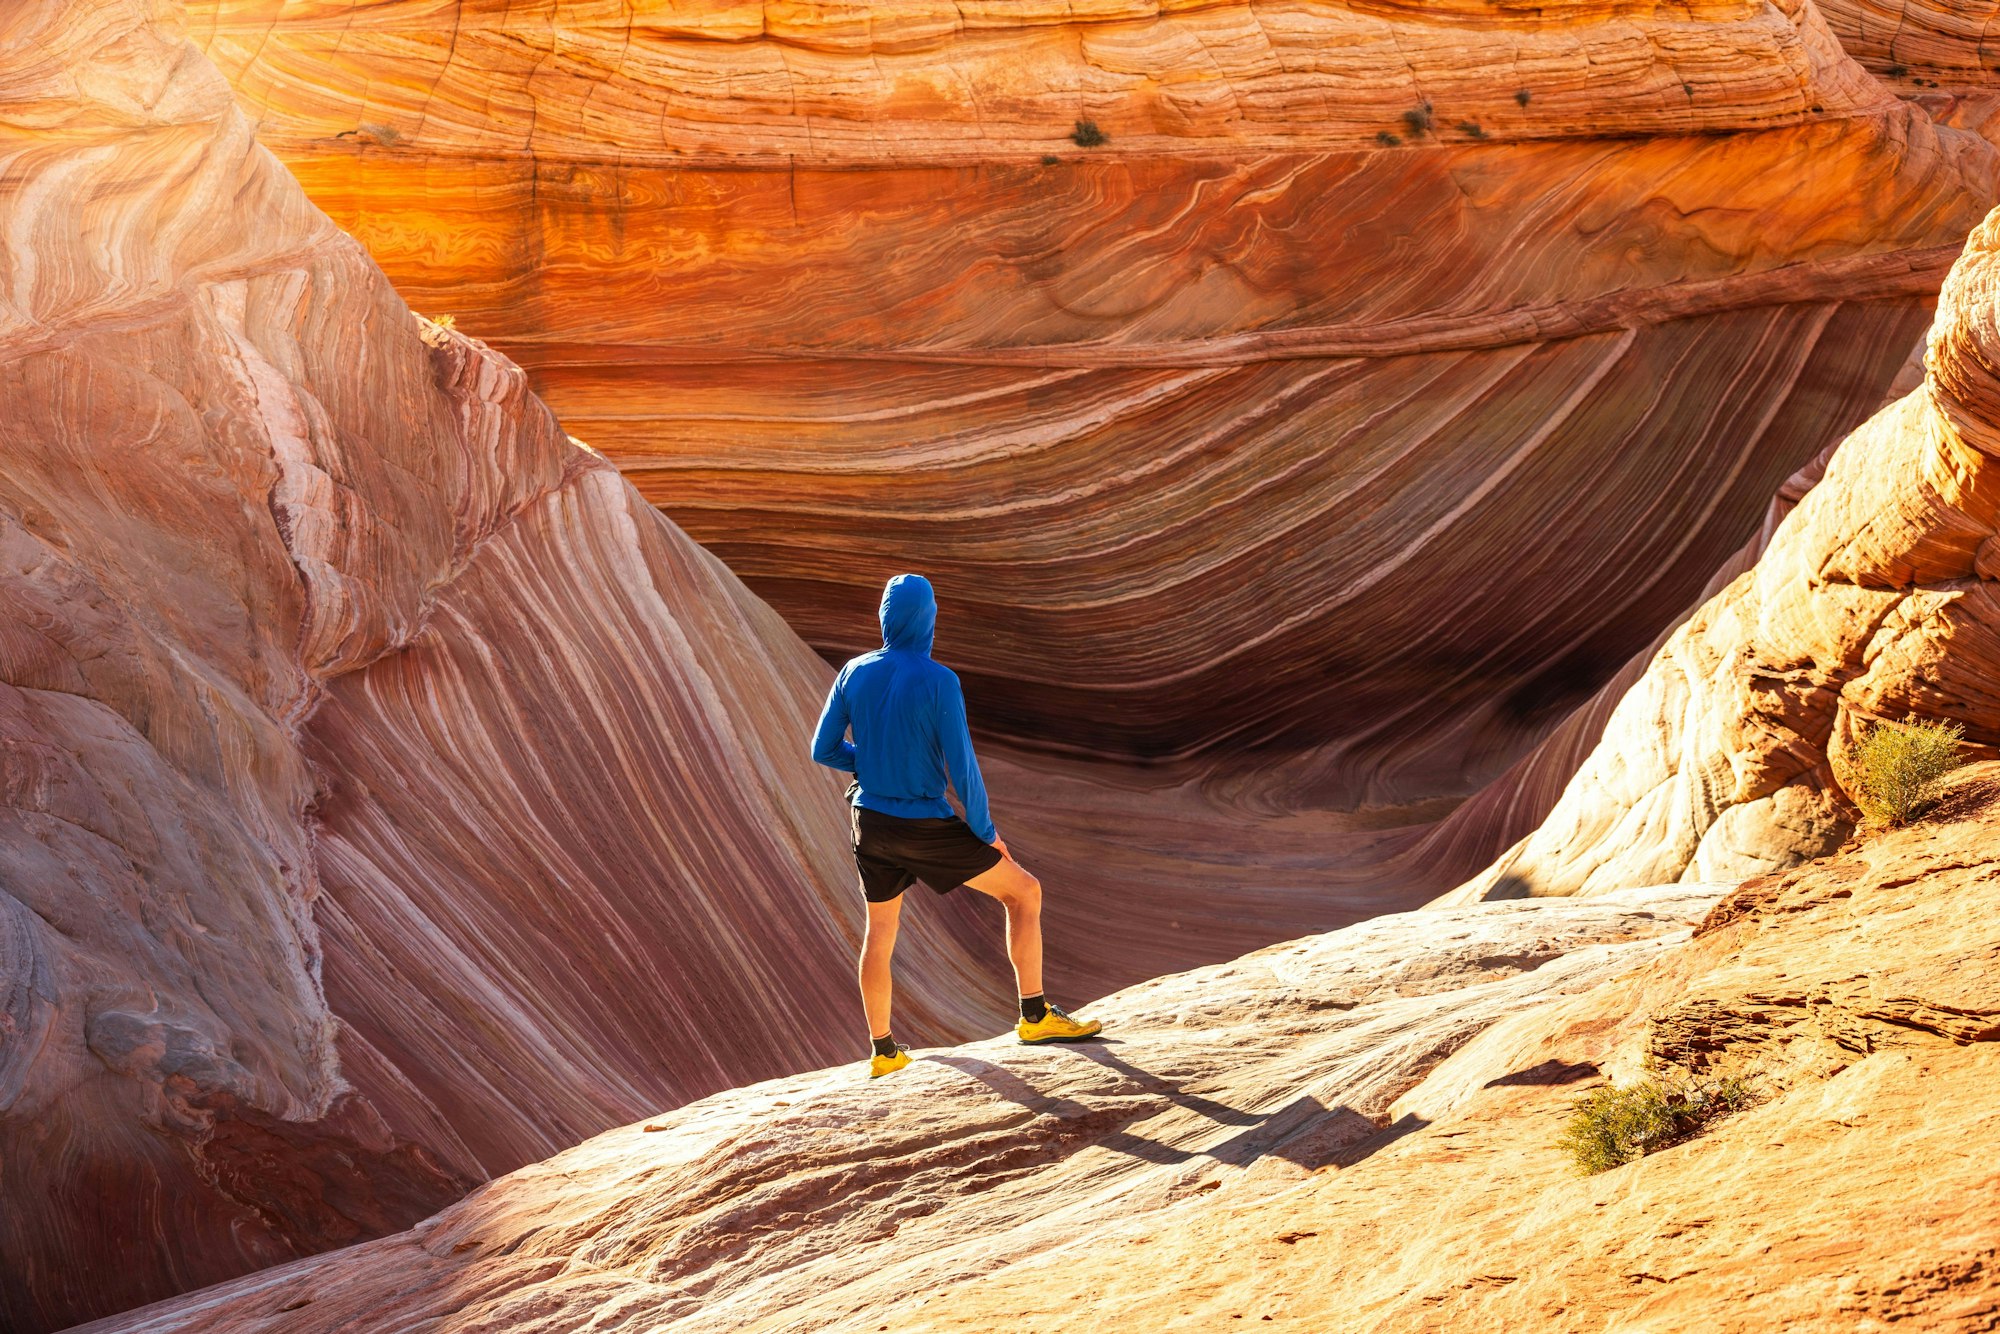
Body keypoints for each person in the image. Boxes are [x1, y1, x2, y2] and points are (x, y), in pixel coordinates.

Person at [811, 573, 1102, 1078]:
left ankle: (883, 1051)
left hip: (870, 822)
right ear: (928, 619)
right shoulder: (939, 680)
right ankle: (1034, 1016)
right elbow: (962, 767)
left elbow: (824, 749)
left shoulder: (854, 671)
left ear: (885, 617)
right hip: (924, 825)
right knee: (1024, 893)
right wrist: (988, 834)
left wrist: (873, 762)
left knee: (879, 932)